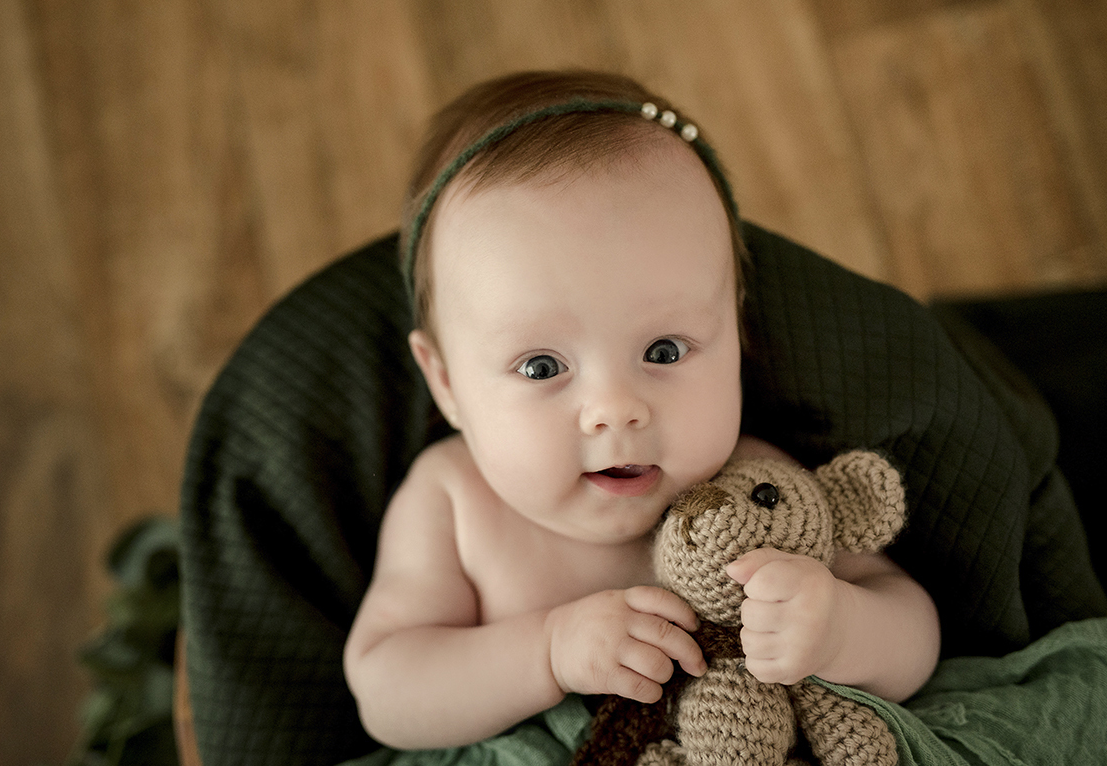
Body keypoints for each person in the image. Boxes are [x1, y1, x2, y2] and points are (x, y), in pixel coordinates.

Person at [342, 71, 940, 751]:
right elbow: (387, 691)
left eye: (663, 349)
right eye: (542, 367)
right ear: (446, 384)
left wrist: (838, 628)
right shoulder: (453, 503)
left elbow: (914, 632)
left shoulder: (761, 485)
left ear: (737, 336)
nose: (615, 411)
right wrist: (546, 652)